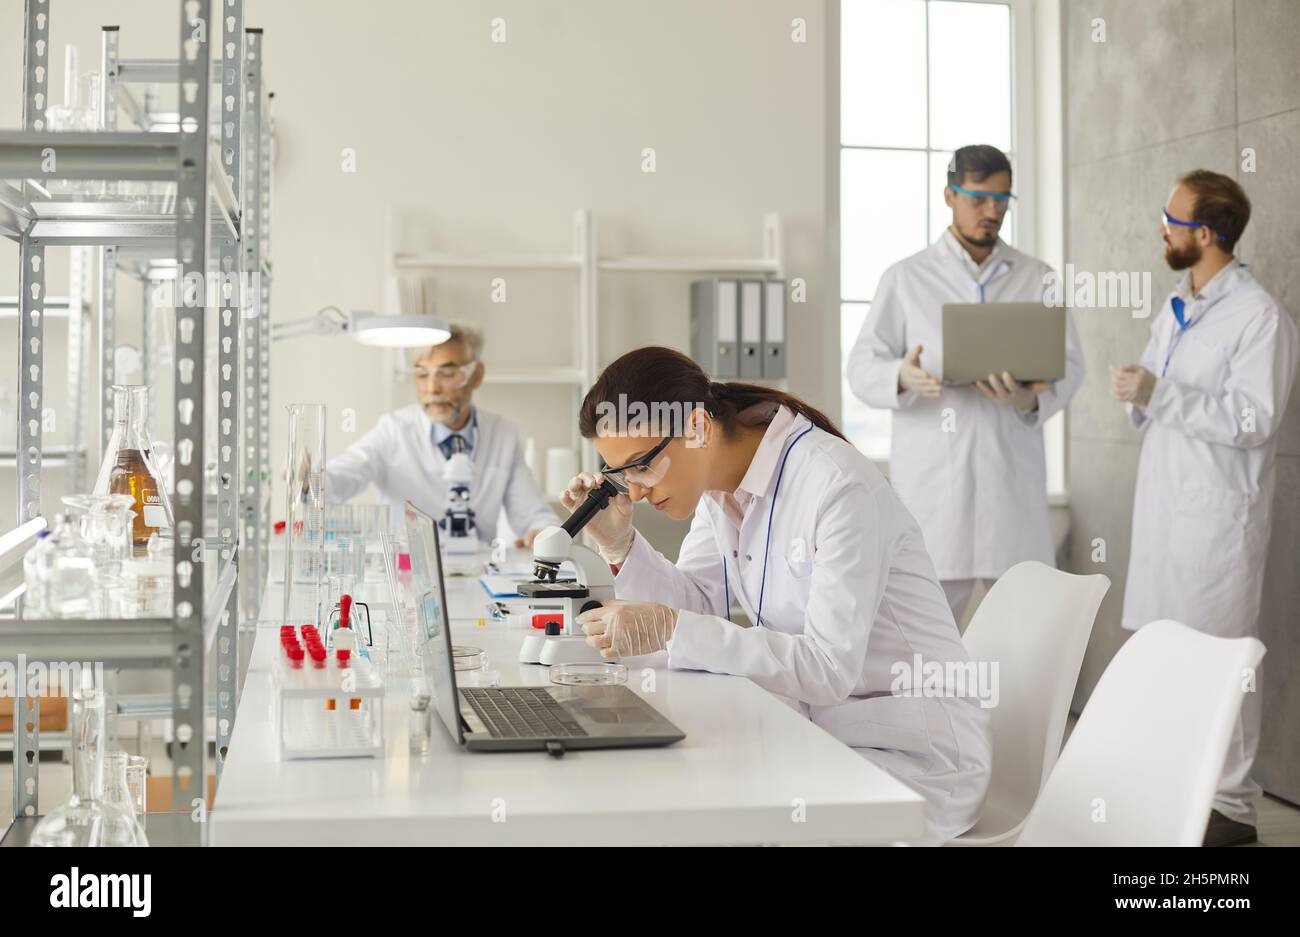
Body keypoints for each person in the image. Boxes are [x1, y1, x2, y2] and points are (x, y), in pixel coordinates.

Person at [563, 346, 992, 842]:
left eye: (641, 466)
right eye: (622, 475)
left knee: (710, 811)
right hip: (819, 730)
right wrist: (620, 545)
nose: (634, 491)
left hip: (910, 758)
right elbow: (699, 605)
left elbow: (828, 671)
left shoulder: (837, 487)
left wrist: (671, 627)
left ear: (698, 428)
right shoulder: (721, 487)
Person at [1111, 170, 1298, 847]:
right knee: (1169, 655)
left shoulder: (1259, 317)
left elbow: (1254, 418)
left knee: (1224, 663)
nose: (1161, 225)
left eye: (1172, 216)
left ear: (1207, 234)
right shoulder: (1178, 305)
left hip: (1219, 523)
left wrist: (1158, 393)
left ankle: (1233, 810)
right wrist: (1139, 393)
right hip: (1167, 514)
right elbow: (1158, 400)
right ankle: (1179, 790)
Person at [846, 144, 1084, 622]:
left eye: (1001, 200)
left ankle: (1016, 703)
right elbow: (861, 367)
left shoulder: (1038, 278)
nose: (991, 211)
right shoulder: (906, 278)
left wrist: (1028, 399)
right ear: (949, 196)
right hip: (936, 493)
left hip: (1010, 484)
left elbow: (1071, 365)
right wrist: (901, 376)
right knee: (924, 634)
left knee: (1026, 630)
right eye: (978, 199)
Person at [326, 322, 557, 546]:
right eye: (422, 374)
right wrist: (312, 481)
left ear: (476, 375)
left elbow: (535, 516)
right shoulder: (393, 430)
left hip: (478, 574)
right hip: (406, 576)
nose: (432, 388)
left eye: (447, 374)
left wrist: (541, 535)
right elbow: (345, 474)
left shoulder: (502, 434)